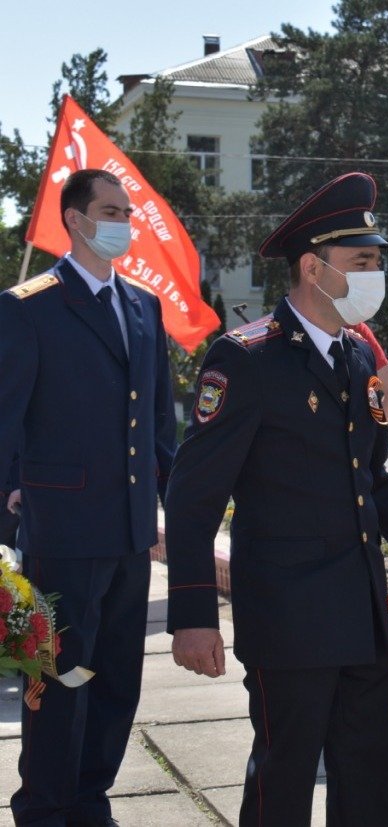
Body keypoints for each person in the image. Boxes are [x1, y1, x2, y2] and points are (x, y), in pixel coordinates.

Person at [162, 172, 388, 827]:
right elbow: (191, 498)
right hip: (288, 620)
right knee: (284, 782)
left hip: (361, 614)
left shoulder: (358, 358)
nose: (374, 274)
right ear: (313, 266)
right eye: (361, 262)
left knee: (369, 786)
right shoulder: (247, 359)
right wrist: (192, 614)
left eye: (377, 262)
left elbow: (373, 482)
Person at [0, 168, 177, 826]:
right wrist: (7, 514)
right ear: (74, 220)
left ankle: (89, 798)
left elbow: (159, 422)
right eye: (110, 210)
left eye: (126, 211)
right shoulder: (28, 305)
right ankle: (45, 807)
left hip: (130, 534)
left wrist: (172, 503)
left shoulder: (142, 304)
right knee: (58, 683)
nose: (124, 223)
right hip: (61, 534)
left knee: (115, 682)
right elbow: (3, 420)